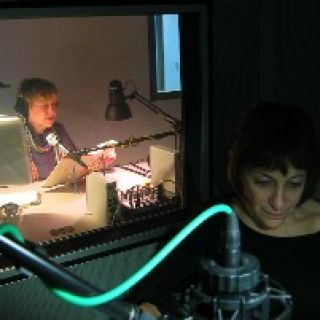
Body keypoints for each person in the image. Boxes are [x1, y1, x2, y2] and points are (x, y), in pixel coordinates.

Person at [127, 102, 320, 320]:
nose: (278, 202)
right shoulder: (215, 220)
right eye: (264, 182)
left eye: (294, 184)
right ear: (239, 172)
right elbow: (156, 288)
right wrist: (149, 310)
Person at [14, 77, 116, 181]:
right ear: (25, 108)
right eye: (44, 106)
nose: (52, 112)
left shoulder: (58, 130)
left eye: (54, 105)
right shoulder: (14, 136)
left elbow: (76, 167)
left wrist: (98, 161)